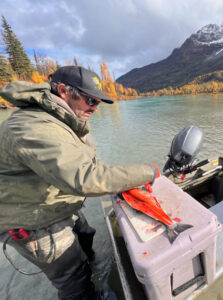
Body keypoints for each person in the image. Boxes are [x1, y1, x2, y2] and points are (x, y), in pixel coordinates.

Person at [0, 66, 159, 299]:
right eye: (90, 101)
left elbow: (93, 168)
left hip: (60, 203)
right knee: (72, 281)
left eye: (98, 102)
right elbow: (87, 178)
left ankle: (91, 269)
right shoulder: (32, 127)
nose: (95, 108)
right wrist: (149, 172)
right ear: (63, 91)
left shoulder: (63, 120)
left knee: (86, 235)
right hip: (36, 222)